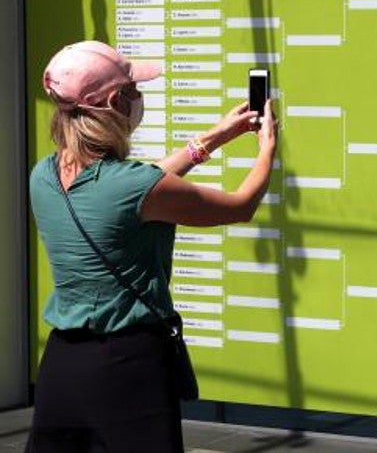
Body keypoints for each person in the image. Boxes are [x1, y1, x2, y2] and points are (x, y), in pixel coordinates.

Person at [27, 40, 278, 452]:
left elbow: (139, 186)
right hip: (128, 366)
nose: (138, 97)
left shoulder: (44, 175)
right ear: (113, 102)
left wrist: (214, 137)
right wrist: (267, 148)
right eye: (132, 90)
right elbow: (241, 205)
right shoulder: (135, 187)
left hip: (61, 366)